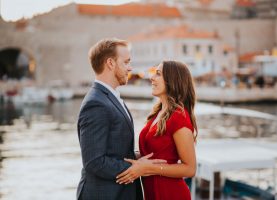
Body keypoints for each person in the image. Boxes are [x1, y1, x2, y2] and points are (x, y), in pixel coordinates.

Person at [76, 38, 148, 200]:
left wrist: (141, 157)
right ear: (110, 63)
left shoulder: (109, 97)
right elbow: (94, 162)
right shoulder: (96, 103)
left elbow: (116, 150)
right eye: (126, 62)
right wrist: (138, 168)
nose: (130, 68)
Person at [117, 61, 198, 200]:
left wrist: (149, 168)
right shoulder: (158, 113)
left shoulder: (179, 117)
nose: (152, 78)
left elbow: (190, 169)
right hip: (152, 193)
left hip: (170, 194)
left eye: (158, 74)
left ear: (173, 80)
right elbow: (152, 154)